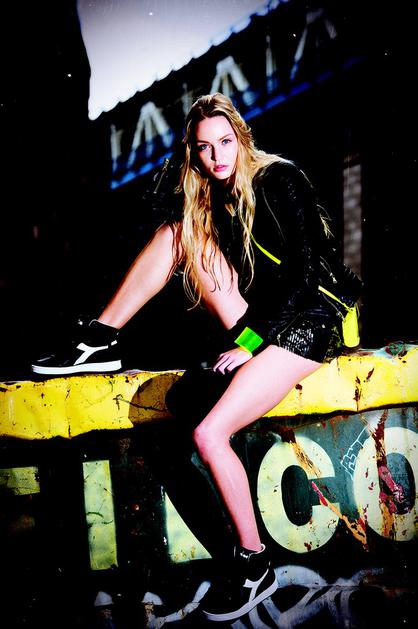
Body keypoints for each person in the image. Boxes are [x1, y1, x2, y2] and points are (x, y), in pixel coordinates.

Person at [31, 93, 362, 622]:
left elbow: (306, 275)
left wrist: (250, 345)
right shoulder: (212, 194)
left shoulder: (281, 179)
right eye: (204, 148)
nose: (217, 157)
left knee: (209, 435)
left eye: (225, 142)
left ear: (242, 139)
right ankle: (99, 338)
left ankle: (255, 564)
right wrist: (184, 167)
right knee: (177, 232)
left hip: (312, 319)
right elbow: (165, 210)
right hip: (264, 320)